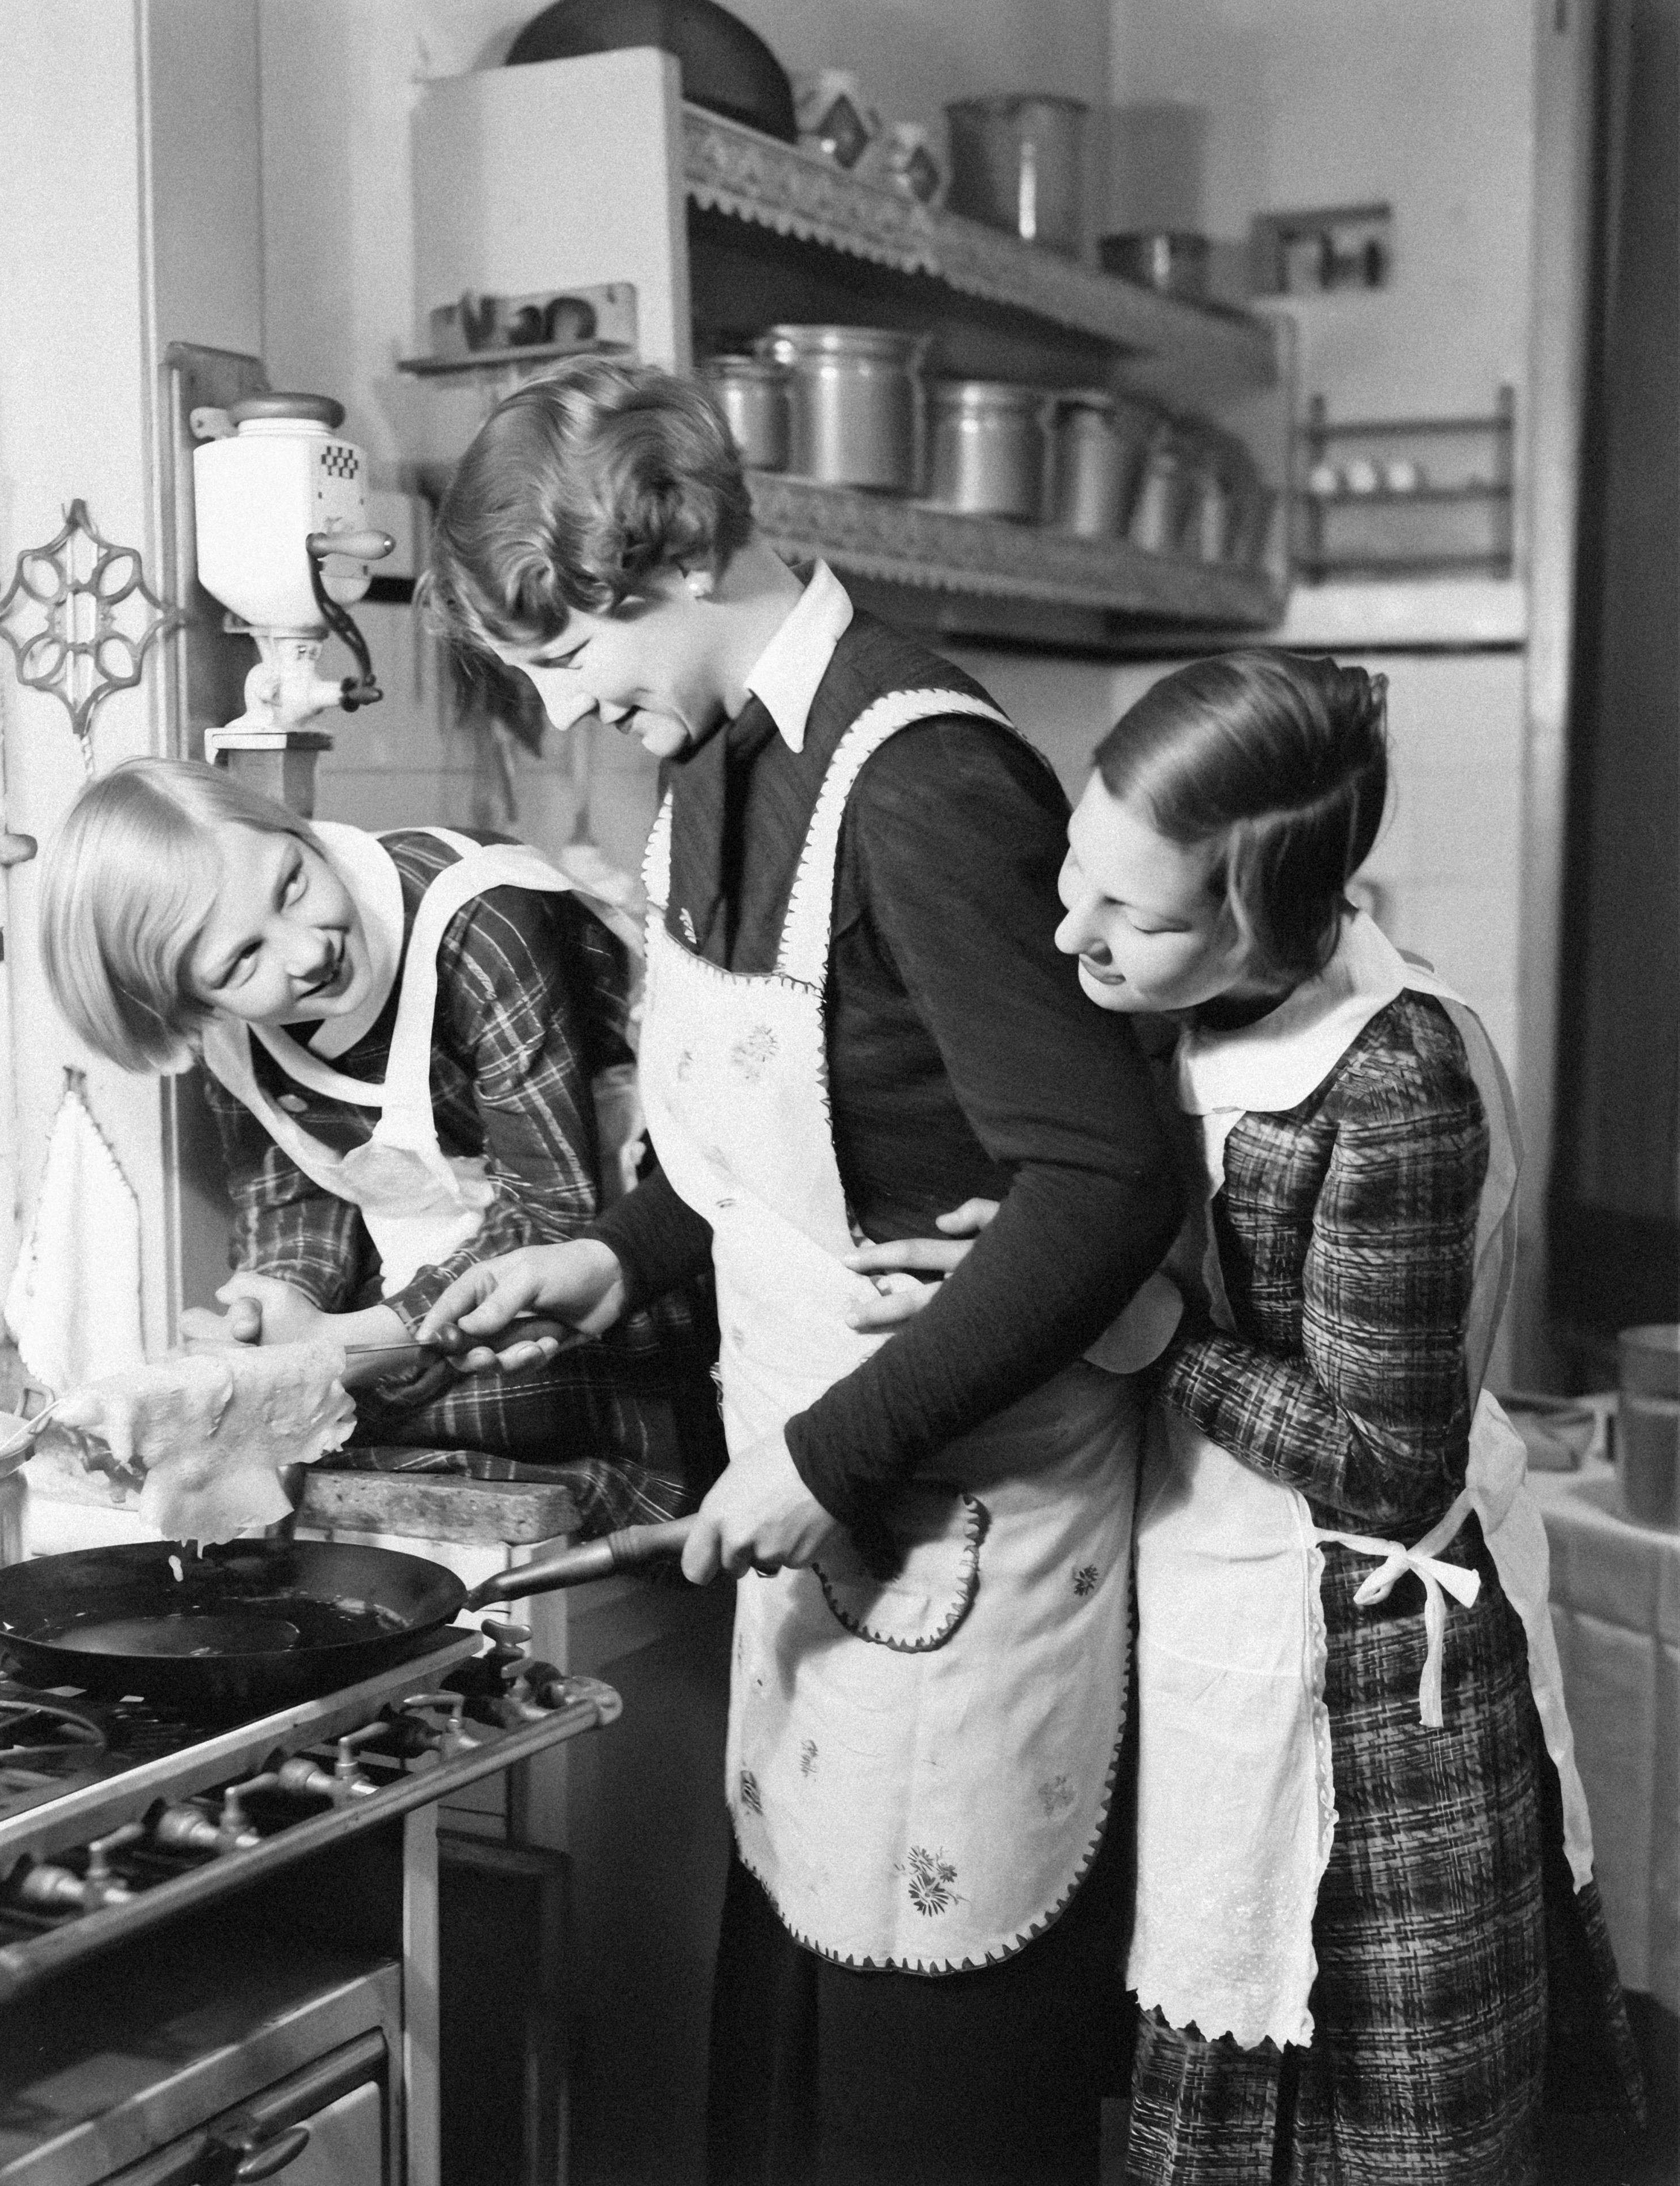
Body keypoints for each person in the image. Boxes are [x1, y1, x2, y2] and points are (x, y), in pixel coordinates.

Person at [417, 356, 1185, 2186]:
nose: (566, 707)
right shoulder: (714, 768)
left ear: (673, 561)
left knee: (930, 2119)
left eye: (565, 654)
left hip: (967, 1532)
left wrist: (831, 1456)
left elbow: (1103, 1183)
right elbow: (767, 1140)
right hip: (823, 1520)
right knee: (793, 2097)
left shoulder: (920, 774)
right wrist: (613, 1255)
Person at [848, 650, 1644, 2184]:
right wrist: (1022, 1264)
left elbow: (1383, 1459)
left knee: (1380, 2142)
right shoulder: (1168, 1007)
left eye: (1130, 913)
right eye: (1075, 868)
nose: (1068, 930)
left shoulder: (1391, 1082)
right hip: (1217, 1610)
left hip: (1374, 1693)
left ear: (1264, 926)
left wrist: (1144, 1331)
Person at [38, 756, 721, 1527]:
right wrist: (281, 1307)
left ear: (297, 832)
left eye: (292, 884)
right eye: (242, 958)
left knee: (409, 1414)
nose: (307, 952)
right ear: (194, 1004)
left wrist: (338, 1348)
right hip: (461, 1269)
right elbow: (297, 1187)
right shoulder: (232, 1027)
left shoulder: (482, 918)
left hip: (629, 1250)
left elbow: (553, 1214)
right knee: (292, 1435)